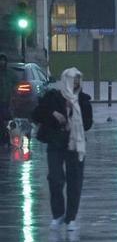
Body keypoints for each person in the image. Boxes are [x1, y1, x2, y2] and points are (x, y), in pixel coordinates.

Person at [31, 68, 93, 232]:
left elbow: (88, 123)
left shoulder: (83, 100)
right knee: (55, 178)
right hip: (56, 143)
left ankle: (71, 218)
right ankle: (58, 215)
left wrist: (76, 121)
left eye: (78, 81)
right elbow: (36, 115)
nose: (76, 84)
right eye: (73, 80)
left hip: (76, 144)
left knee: (75, 181)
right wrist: (53, 114)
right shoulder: (52, 97)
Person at [0, 54, 16, 144]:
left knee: (8, 120)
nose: (2, 62)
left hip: (8, 100)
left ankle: (7, 138)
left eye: (3, 60)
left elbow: (16, 83)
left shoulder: (10, 73)